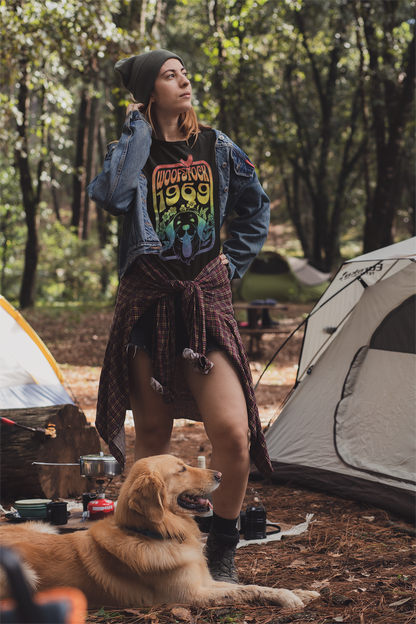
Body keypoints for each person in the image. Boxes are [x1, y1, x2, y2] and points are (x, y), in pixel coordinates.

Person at [87, 49, 273, 584]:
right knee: (151, 433)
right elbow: (115, 197)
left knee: (234, 436)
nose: (184, 80)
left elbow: (254, 205)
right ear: (149, 92)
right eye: (170, 75)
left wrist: (232, 261)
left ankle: (222, 546)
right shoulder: (129, 153)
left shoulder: (215, 145)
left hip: (204, 297)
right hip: (149, 300)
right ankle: (153, 548)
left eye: (184, 72)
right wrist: (140, 131)